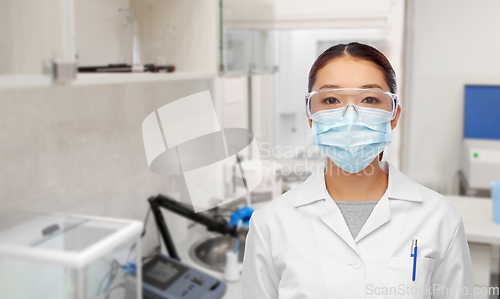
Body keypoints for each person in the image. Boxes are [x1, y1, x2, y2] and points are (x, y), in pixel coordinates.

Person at [241, 42, 474, 298]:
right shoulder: (270, 225)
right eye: (331, 100)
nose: (350, 117)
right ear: (310, 116)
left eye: (370, 99)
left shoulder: (440, 218)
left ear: (394, 114)